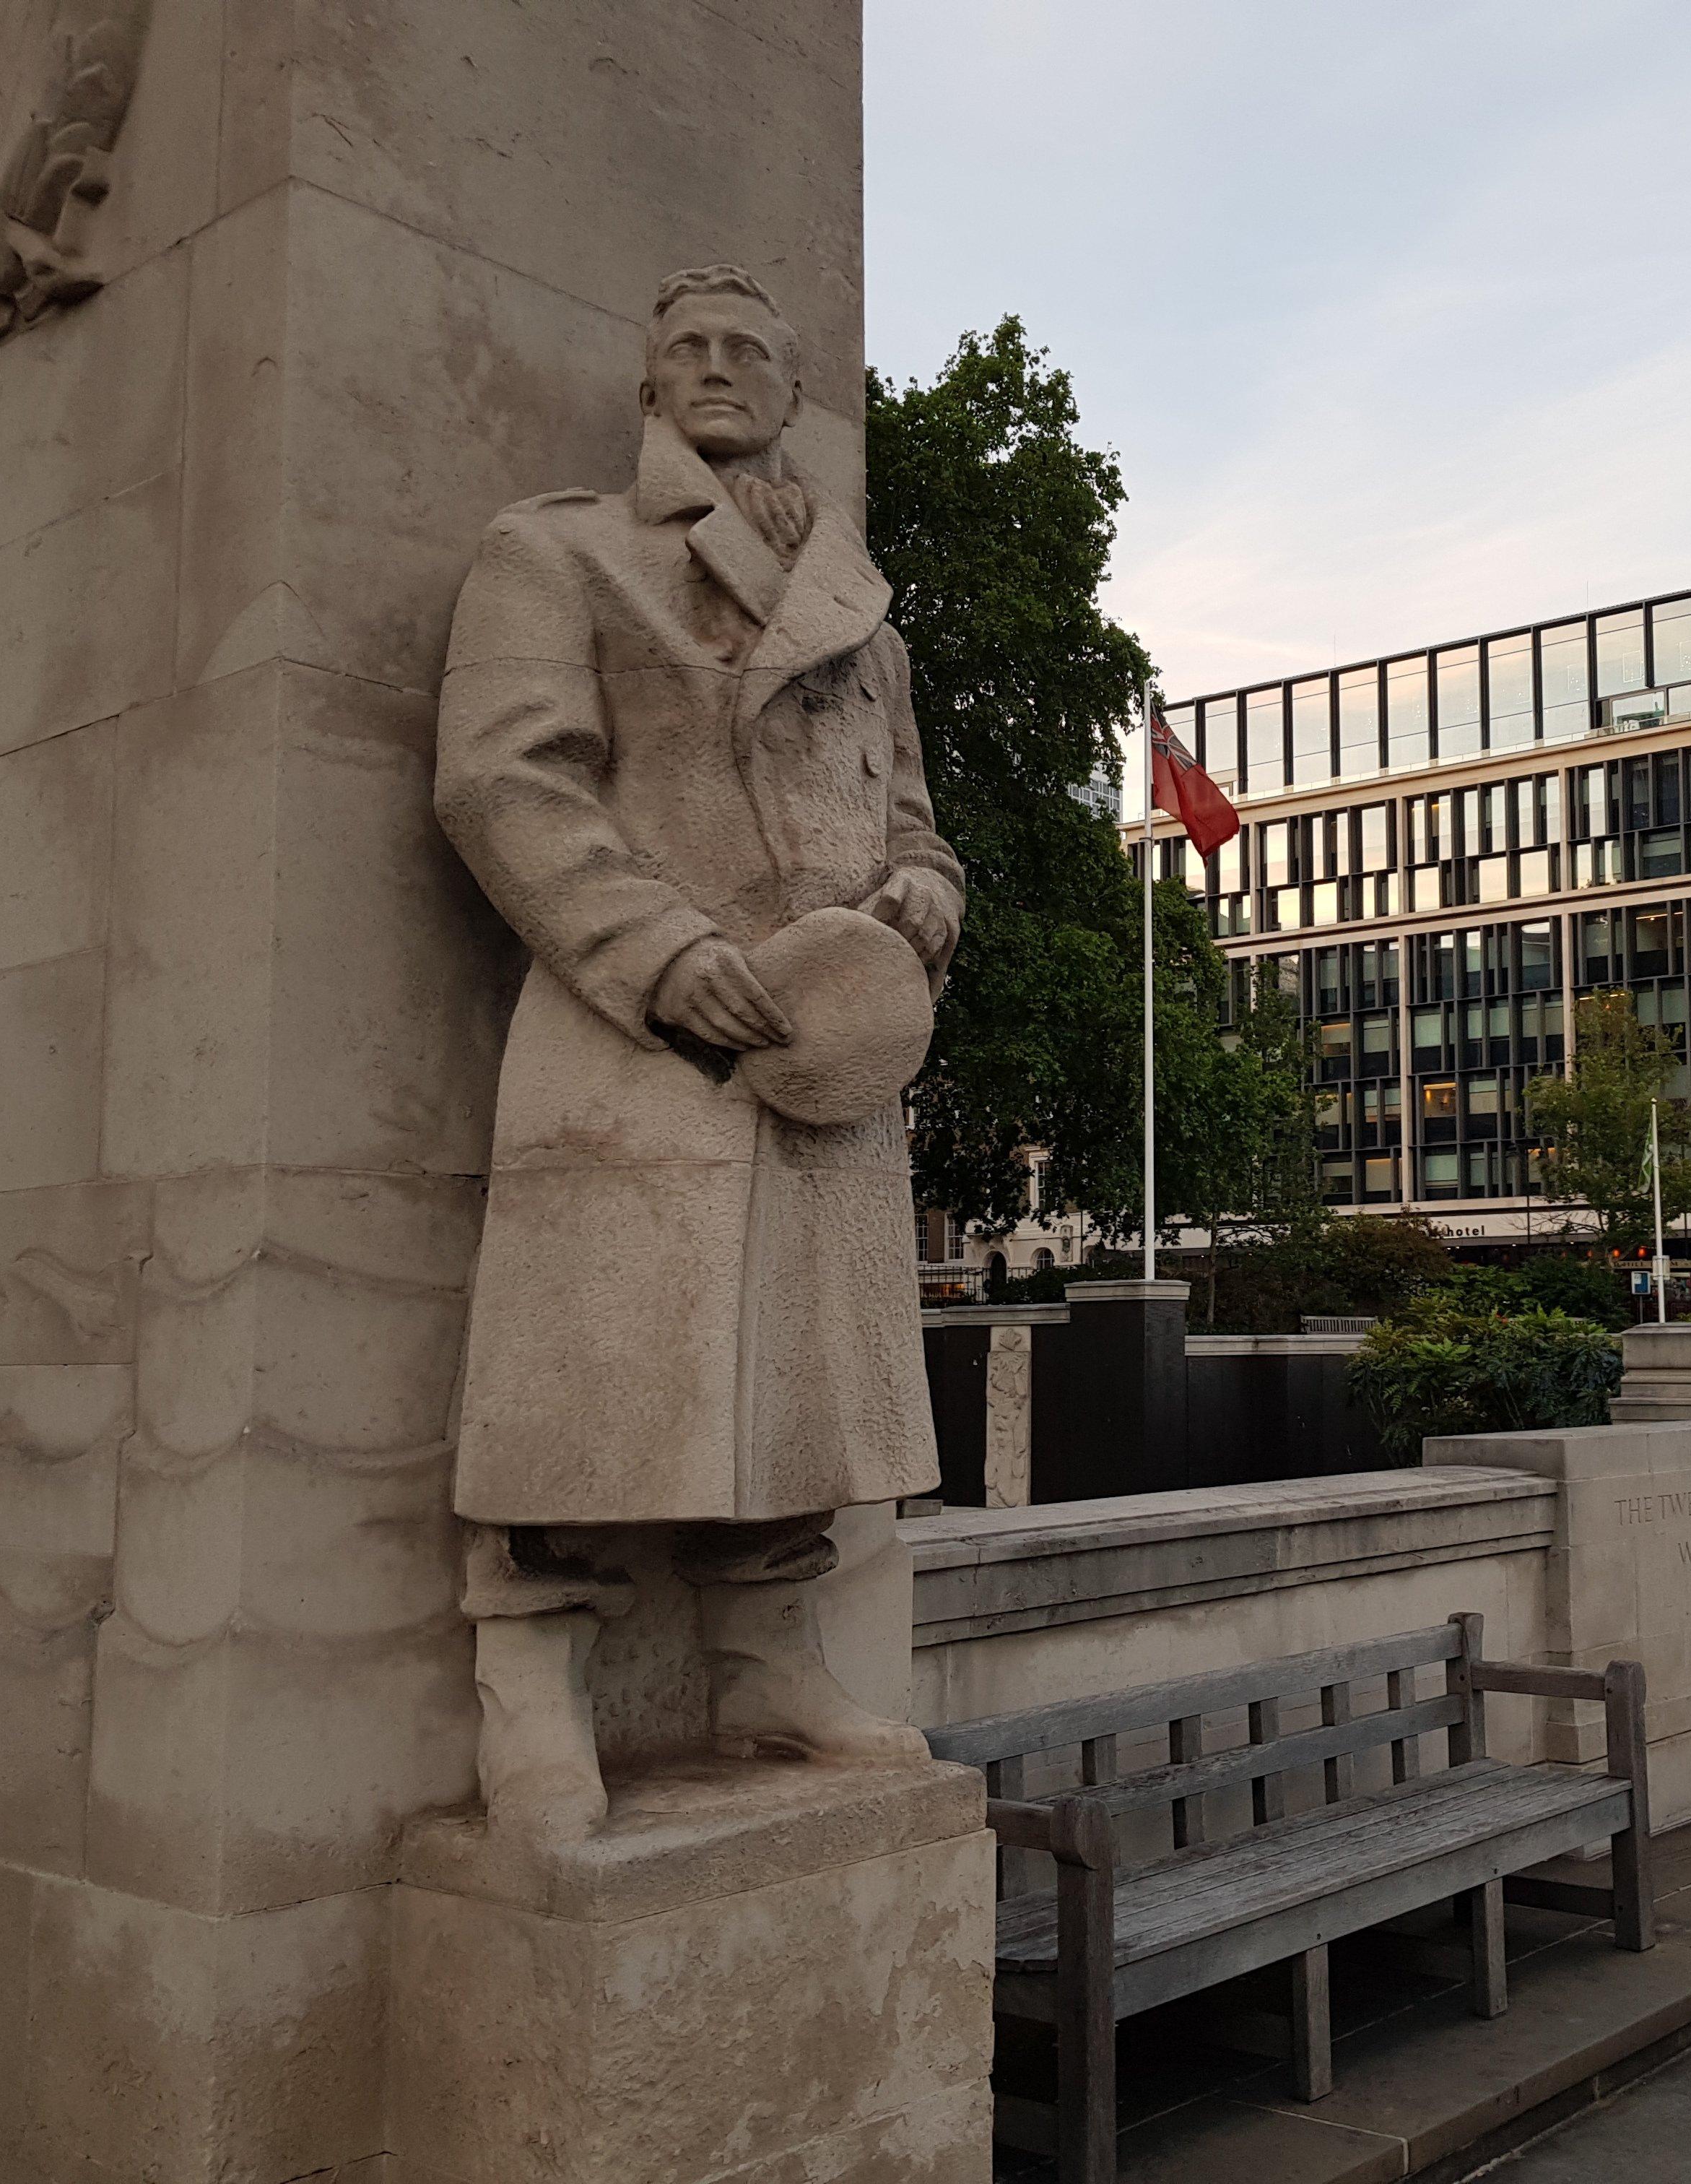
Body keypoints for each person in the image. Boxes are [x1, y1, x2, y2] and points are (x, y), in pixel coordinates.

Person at [433, 266, 965, 1840]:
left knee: (812, 1394)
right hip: (640, 1039)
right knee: (583, 1381)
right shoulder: (560, 550)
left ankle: (768, 1666)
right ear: (651, 381)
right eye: (691, 349)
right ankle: (530, 1691)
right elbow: (506, 783)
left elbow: (915, 821)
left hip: (828, 1060)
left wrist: (926, 895)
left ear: (795, 394)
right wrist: (662, 955)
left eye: (754, 351)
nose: (722, 369)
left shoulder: (866, 616)